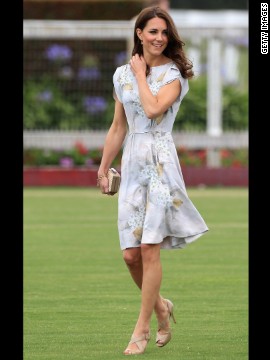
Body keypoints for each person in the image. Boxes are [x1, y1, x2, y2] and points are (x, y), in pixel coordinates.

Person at [97, 6, 209, 355]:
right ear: (140, 34)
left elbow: (152, 109)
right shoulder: (121, 75)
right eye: (152, 32)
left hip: (161, 164)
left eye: (164, 32)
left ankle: (143, 328)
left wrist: (141, 75)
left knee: (149, 248)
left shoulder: (174, 75)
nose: (159, 38)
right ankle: (162, 307)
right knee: (130, 255)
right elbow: (119, 126)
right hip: (132, 163)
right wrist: (103, 167)